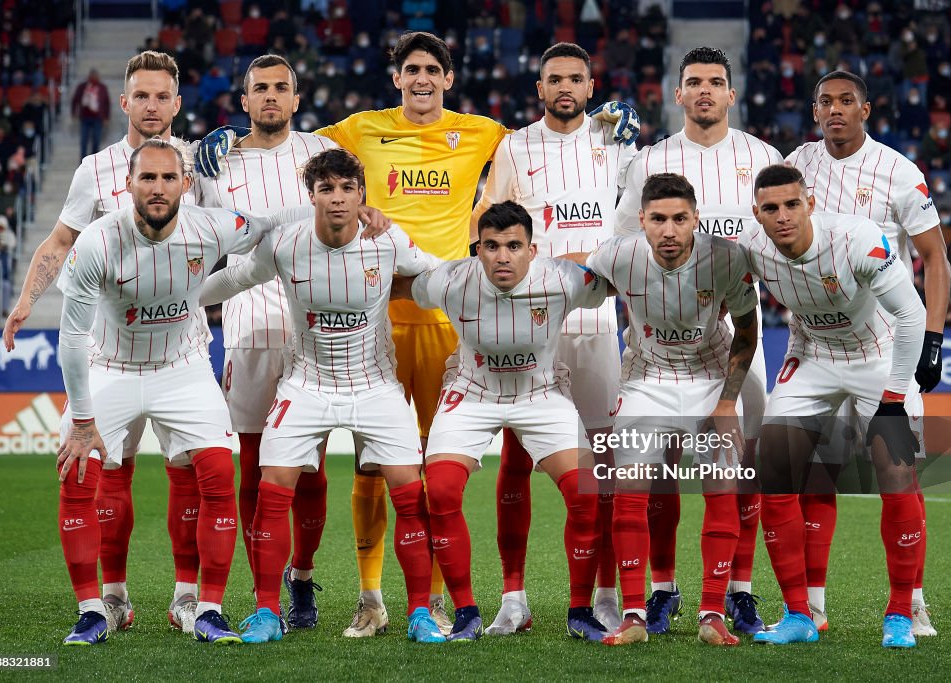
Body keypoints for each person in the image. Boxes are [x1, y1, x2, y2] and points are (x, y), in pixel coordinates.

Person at [194, 31, 638, 636]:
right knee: (372, 471)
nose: (422, 78)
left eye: (433, 69)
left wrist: (608, 123)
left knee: (424, 471)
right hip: (376, 321)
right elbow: (287, 148)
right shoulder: (355, 130)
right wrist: (225, 138)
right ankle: (371, 596)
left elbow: (556, 144)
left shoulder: (484, 133)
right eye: (411, 70)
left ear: (448, 79)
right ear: (396, 78)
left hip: (442, 320)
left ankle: (430, 603)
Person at [198, 148, 445, 645]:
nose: (337, 199)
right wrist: (182, 296)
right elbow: (236, 277)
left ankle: (419, 611)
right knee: (271, 490)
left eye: (347, 189)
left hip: (374, 384)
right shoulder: (286, 242)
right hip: (305, 383)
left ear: (362, 196)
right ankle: (268, 610)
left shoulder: (387, 238)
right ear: (310, 195)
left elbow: (440, 274)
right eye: (326, 189)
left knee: (409, 494)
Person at [55, 139, 297, 645]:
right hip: (110, 368)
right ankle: (95, 609)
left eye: (169, 178)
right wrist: (81, 419)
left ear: (186, 184)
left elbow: (273, 219)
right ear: (128, 185)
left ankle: (204, 608)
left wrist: (347, 207)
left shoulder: (210, 227)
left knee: (217, 471)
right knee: (77, 471)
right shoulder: (97, 242)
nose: (158, 188)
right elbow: (72, 340)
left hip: (182, 369)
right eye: (148, 178)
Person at [5, 51, 205, 635]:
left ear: (177, 103)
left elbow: (225, 235)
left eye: (162, 96)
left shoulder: (200, 166)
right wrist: (24, 303)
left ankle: (187, 597)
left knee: (187, 469)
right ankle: (113, 599)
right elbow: (60, 240)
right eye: (141, 95)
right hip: (108, 350)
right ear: (124, 102)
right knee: (105, 470)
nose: (151, 106)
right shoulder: (94, 168)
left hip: (182, 347)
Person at [613, 46, 782, 635]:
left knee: (744, 468)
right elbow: (623, 255)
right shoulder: (650, 162)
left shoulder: (763, 157)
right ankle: (663, 589)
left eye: (716, 82)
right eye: (694, 82)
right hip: (657, 348)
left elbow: (783, 242)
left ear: (731, 95)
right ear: (677, 94)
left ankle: (739, 590)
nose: (705, 91)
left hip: (736, 335)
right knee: (654, 470)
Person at [470, 41, 638, 634]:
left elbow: (639, 218)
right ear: (538, 89)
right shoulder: (512, 147)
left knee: (605, 465)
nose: (564, 87)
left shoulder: (615, 144)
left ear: (592, 88)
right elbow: (487, 226)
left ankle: (605, 594)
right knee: (516, 457)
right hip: (532, 324)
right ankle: (512, 598)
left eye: (575, 78)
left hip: (594, 325)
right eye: (553, 79)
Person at [390, 200, 608, 641]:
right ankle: (466, 611)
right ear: (478, 249)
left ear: (532, 249)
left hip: (541, 395)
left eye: (513, 245)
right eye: (491, 246)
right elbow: (389, 286)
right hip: (472, 394)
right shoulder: (451, 280)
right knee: (443, 491)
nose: (502, 256)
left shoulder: (564, 279)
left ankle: (581, 611)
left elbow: (626, 278)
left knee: (587, 494)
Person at [786, 70, 949, 636]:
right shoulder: (797, 165)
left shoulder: (898, 172)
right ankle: (813, 604)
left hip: (887, 347)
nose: (836, 110)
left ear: (866, 109)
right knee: (814, 475)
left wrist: (932, 337)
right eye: (825, 101)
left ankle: (913, 600)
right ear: (814, 112)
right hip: (819, 345)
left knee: (898, 475)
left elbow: (935, 257)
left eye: (846, 101)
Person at [740, 164, 926, 649]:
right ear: (756, 214)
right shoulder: (751, 249)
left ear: (811, 203)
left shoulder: (857, 239)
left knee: (896, 475)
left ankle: (900, 614)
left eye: (791, 204)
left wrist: (891, 402)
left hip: (878, 357)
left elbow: (911, 314)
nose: (782, 217)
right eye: (770, 208)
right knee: (775, 471)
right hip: (815, 358)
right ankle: (800, 615)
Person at [573, 173, 758, 646]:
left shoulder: (726, 258)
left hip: (711, 377)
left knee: (720, 489)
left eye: (680, 219)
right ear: (642, 221)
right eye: (658, 219)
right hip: (646, 382)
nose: (669, 230)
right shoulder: (618, 253)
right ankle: (634, 616)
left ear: (696, 218)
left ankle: (712, 613)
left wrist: (727, 400)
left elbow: (748, 330)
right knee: (630, 492)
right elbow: (576, 275)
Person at [192, 53, 338, 631]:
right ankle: (263, 592)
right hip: (249, 324)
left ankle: (301, 579)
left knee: (312, 472)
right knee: (251, 472)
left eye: (282, 88)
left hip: (316, 326)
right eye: (260, 89)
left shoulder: (319, 154)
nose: (271, 97)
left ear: (297, 100)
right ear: (244, 100)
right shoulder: (215, 163)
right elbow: (193, 233)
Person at [72, 69, 111, 160]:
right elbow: (75, 100)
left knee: (96, 140)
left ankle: (94, 161)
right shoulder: (82, 87)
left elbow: (106, 103)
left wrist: (106, 117)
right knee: (84, 141)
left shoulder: (102, 88)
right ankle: (83, 162)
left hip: (98, 118)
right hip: (85, 117)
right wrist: (74, 112)